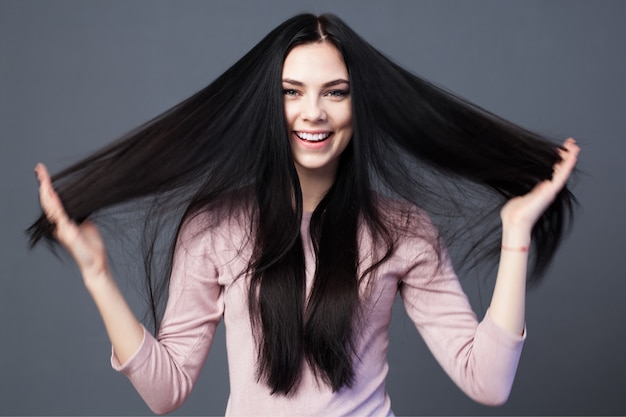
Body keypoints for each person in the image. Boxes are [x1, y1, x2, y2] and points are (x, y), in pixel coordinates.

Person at [30, 13, 579, 416]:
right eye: (292, 92)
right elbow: (165, 390)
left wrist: (516, 235)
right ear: (269, 104)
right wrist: (98, 276)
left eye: (335, 92)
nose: (312, 112)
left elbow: (488, 382)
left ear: (359, 106)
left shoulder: (404, 232)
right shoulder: (215, 227)